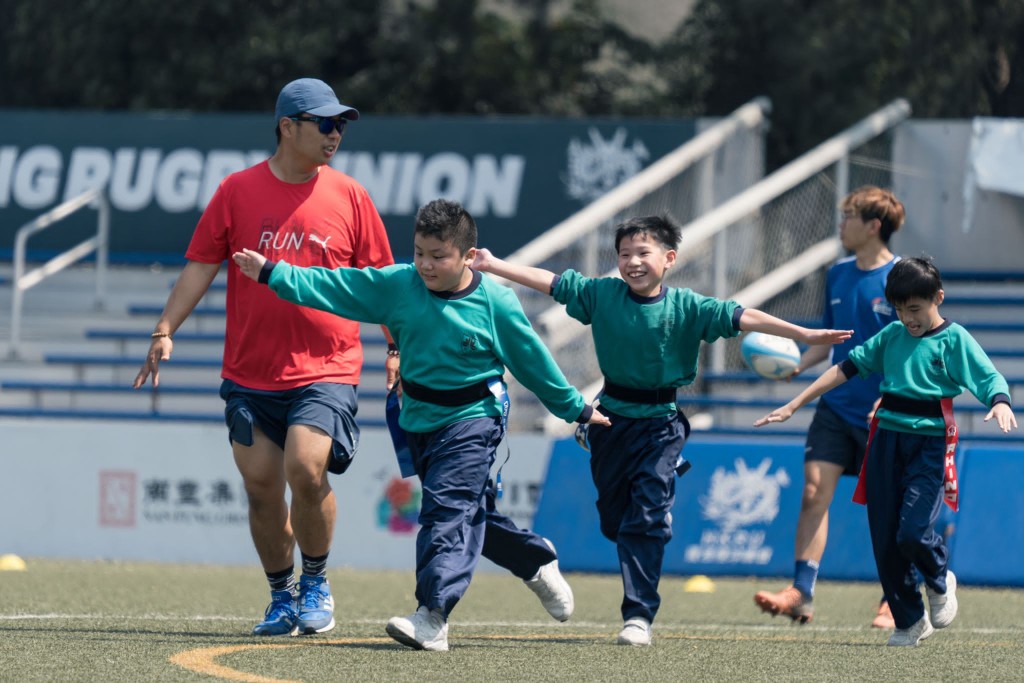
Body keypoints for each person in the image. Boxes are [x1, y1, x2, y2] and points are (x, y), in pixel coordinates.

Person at [232, 198, 611, 652]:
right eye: (419, 253)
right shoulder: (399, 284)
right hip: (417, 418)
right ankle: (535, 559)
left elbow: (533, 362)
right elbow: (337, 285)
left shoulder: (496, 302)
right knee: (467, 514)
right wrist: (274, 273)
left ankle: (433, 615)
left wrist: (576, 408)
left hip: (474, 419)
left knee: (446, 509)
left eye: (438, 256)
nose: (426, 265)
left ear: (469, 257)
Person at [471, 215, 853, 647]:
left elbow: (746, 316)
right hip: (609, 420)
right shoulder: (602, 294)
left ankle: (638, 616)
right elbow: (552, 282)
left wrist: (802, 333)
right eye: (624, 254)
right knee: (616, 522)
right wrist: (494, 263)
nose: (632, 262)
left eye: (643, 253)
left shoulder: (689, 306)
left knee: (646, 520)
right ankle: (611, 468)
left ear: (669, 259)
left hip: (662, 426)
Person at [133, 77, 398, 637]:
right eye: (326, 123)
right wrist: (164, 328)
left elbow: (383, 283)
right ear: (288, 127)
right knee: (259, 486)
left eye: (341, 125)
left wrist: (397, 346)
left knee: (306, 469)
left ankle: (317, 581)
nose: (336, 134)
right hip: (251, 373)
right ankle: (282, 594)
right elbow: (201, 264)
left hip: (327, 366)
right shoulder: (236, 191)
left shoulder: (351, 196)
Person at [754, 257, 1017, 646]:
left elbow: (987, 375)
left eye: (915, 309)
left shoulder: (954, 338)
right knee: (885, 537)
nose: (907, 318)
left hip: (929, 444)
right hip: (884, 442)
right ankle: (910, 620)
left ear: (937, 298)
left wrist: (1000, 401)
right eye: (899, 309)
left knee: (912, 532)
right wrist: (795, 403)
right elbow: (844, 369)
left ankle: (940, 576)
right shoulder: (892, 336)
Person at [753, 186, 905, 629]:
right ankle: (801, 592)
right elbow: (831, 339)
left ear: (873, 226)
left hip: (887, 411)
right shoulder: (837, 273)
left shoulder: (902, 278)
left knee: (892, 508)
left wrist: (892, 393)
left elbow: (911, 345)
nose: (841, 225)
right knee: (813, 491)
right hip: (836, 406)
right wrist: (796, 366)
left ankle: (894, 598)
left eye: (849, 216)